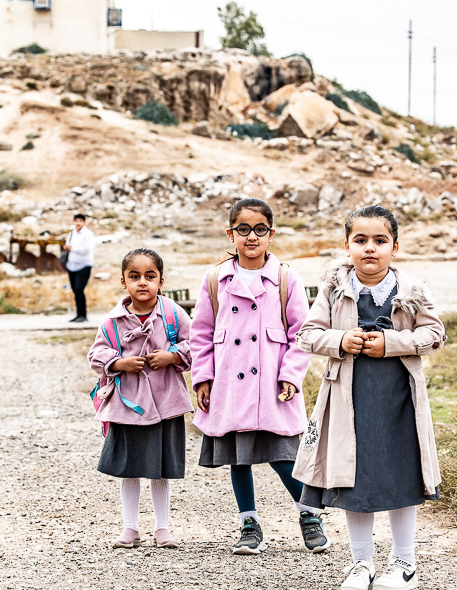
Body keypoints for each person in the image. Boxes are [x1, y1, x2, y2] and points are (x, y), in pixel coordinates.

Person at [292, 205, 445, 590]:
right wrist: (341, 340)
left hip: (399, 402)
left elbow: (434, 334)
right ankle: (361, 563)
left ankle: (404, 562)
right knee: (353, 480)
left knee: (400, 475)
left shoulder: (411, 290)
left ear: (395, 246)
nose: (370, 248)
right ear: (347, 246)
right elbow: (308, 335)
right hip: (348, 399)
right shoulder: (333, 288)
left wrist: (391, 344)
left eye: (380, 240)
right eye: (360, 240)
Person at [190, 198, 330, 555]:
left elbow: (303, 332)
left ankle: (309, 514)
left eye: (259, 230)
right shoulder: (214, 280)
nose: (251, 237)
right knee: (239, 458)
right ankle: (248, 524)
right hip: (230, 384)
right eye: (243, 229)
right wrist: (203, 377)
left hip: (272, 383)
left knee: (284, 454)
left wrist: (291, 376)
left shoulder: (286, 277)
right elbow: (201, 334)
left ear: (270, 234)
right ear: (230, 233)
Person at [88, 248, 192, 549]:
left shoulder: (173, 314)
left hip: (165, 403)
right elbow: (96, 353)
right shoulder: (112, 321)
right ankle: (130, 528)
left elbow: (196, 345)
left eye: (150, 276)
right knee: (129, 467)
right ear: (123, 281)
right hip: (126, 407)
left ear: (161, 280)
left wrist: (173, 356)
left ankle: (163, 529)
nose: (142, 283)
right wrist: (118, 363)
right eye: (135, 277)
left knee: (161, 469)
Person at [64, 213, 95, 322]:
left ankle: (83, 315)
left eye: (80, 221)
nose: (78, 223)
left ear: (84, 222)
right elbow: (67, 245)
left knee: (79, 289)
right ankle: (78, 314)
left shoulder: (88, 234)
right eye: (76, 221)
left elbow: (86, 249)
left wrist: (72, 248)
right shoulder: (72, 233)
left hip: (84, 265)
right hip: (71, 265)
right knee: (75, 290)